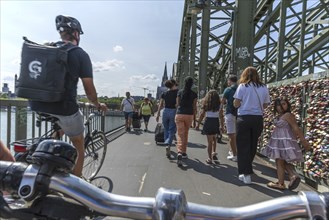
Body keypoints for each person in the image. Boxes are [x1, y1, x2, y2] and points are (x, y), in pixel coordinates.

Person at [30, 15, 108, 177]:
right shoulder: (80, 54)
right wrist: (97, 104)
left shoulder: (47, 48)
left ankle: (47, 157)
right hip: (64, 106)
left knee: (60, 127)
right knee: (79, 144)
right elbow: (89, 91)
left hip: (37, 103)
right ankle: (76, 185)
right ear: (76, 34)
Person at [261, 97, 310, 190]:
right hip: (278, 141)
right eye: (278, 105)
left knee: (279, 161)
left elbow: (296, 128)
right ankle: (290, 177)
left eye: (283, 104)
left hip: (284, 142)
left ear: (287, 104)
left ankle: (281, 183)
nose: (280, 107)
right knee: (280, 161)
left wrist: (304, 142)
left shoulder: (288, 115)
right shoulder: (281, 115)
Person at [233, 66, 270, 184]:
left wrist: (240, 104)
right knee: (252, 145)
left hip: (244, 118)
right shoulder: (264, 87)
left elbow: (236, 103)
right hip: (258, 119)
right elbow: (265, 105)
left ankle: (245, 173)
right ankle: (248, 169)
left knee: (243, 146)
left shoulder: (242, 86)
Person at [175, 76, 198, 167]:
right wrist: (195, 121)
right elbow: (195, 108)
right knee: (186, 134)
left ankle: (180, 152)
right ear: (192, 84)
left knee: (180, 134)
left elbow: (177, 104)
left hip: (180, 114)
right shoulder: (194, 94)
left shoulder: (180, 92)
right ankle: (184, 152)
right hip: (189, 115)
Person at [196, 90, 221, 164]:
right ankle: (214, 152)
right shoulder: (219, 105)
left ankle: (209, 158)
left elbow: (202, 115)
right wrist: (222, 126)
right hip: (216, 122)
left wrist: (198, 124)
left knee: (209, 142)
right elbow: (221, 116)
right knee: (214, 139)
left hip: (208, 122)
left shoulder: (206, 104)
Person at [156, 79, 178, 157]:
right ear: (173, 84)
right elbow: (177, 104)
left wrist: (158, 114)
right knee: (172, 129)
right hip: (173, 111)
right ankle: (168, 143)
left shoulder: (164, 93)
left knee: (166, 129)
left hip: (165, 111)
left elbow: (160, 104)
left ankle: (167, 145)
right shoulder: (177, 93)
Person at [221, 75, 238, 162]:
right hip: (239, 114)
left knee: (231, 135)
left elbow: (223, 101)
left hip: (230, 113)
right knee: (237, 135)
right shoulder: (240, 88)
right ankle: (232, 151)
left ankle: (235, 155)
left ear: (230, 81)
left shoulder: (228, 89)